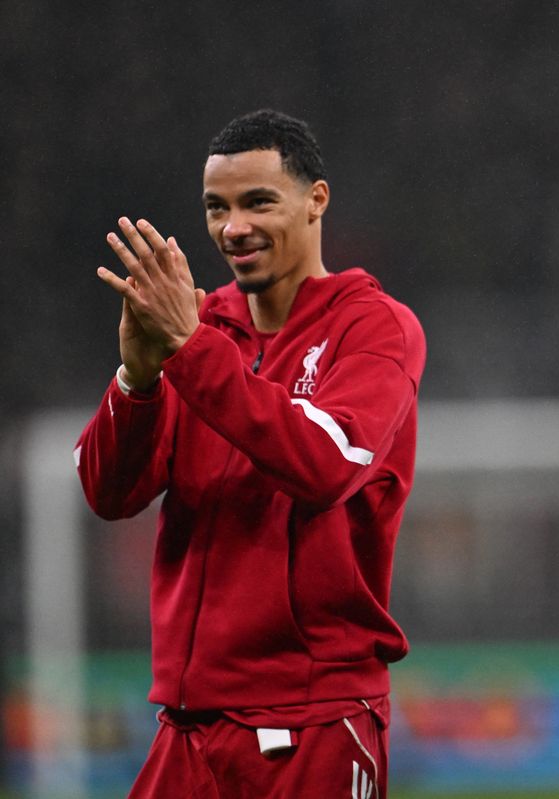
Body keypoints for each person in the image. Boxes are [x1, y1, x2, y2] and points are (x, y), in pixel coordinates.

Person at [75, 109, 425, 798]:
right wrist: (137, 378)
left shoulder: (375, 328)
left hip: (312, 724)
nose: (234, 226)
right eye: (217, 207)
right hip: (187, 729)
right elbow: (108, 493)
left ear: (315, 200)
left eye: (258, 201)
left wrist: (191, 350)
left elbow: (323, 467)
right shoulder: (202, 330)